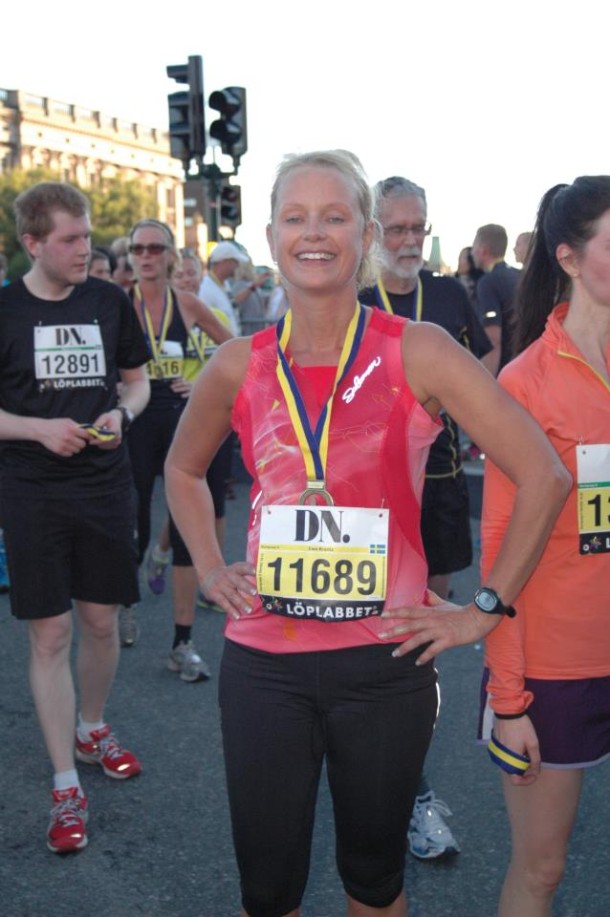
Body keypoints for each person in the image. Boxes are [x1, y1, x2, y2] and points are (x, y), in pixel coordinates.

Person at [165, 150, 570, 917]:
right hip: (265, 666)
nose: (312, 233)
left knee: (374, 883)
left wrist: (484, 604)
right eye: (295, 217)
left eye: (334, 216)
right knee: (267, 889)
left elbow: (544, 473)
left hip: (384, 664)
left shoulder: (417, 349)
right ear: (271, 233)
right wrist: (213, 566)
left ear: (367, 233)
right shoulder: (236, 365)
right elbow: (183, 471)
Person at [0, 181, 151, 853]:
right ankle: (66, 783)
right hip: (32, 490)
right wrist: (37, 429)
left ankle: (93, 724)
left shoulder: (109, 300)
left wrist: (123, 413)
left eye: (88, 236)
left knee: (100, 621)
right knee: (50, 634)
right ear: (32, 243)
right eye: (69, 239)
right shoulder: (5, 310)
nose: (85, 249)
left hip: (103, 487)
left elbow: (137, 381)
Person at [479, 176, 610, 917]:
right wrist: (507, 699)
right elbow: (500, 550)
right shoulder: (524, 383)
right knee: (543, 871)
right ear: (568, 255)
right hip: (556, 668)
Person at [360, 175, 494, 859]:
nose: (410, 241)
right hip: (369, 501)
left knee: (421, 632)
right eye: (397, 229)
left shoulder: (447, 294)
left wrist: (466, 403)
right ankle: (397, 786)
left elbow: (483, 359)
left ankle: (401, 773)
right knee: (373, 635)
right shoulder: (354, 302)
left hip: (437, 483)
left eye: (419, 228)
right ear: (373, 231)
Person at [122, 219, 232, 678]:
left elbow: (233, 347)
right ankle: (125, 601)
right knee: (136, 525)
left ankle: (182, 642)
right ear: (130, 255)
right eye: (138, 248)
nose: (146, 256)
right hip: (134, 422)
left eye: (155, 248)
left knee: (188, 528)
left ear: (170, 254)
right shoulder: (116, 304)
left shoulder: (187, 304)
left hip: (181, 419)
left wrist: (203, 379)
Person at [146, 248, 233, 596]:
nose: (188, 280)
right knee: (184, 498)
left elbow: (235, 355)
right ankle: (163, 550)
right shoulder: (164, 320)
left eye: (192, 273)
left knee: (218, 502)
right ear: (170, 280)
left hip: (219, 415)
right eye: (180, 275)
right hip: (181, 416)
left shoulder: (212, 314)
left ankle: (216, 581)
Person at [472, 224, 521, 374]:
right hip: (526, 366)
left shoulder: (488, 282)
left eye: (474, 246)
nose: (472, 252)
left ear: (483, 250)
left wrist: (485, 386)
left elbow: (493, 340)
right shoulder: (520, 275)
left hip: (504, 371)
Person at [198, 240, 248, 334]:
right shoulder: (205, 287)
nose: (237, 266)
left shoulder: (225, 284)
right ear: (224, 262)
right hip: (217, 347)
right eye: (235, 262)